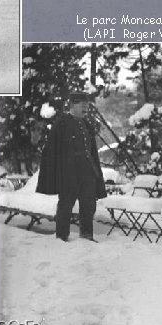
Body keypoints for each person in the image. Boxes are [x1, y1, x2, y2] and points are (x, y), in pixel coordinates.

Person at [37, 92, 106, 242]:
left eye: (87, 105)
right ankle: (62, 237)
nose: (85, 107)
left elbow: (92, 152)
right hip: (69, 173)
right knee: (66, 205)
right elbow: (51, 150)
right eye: (82, 104)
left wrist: (95, 172)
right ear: (72, 105)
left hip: (87, 172)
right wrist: (56, 173)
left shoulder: (86, 125)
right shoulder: (62, 123)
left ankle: (87, 235)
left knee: (88, 204)